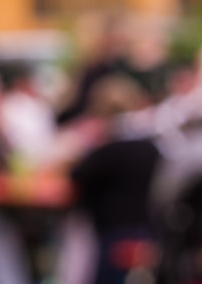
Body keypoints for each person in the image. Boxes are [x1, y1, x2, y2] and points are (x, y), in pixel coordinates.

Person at [68, 78, 162, 284]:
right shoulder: (153, 149)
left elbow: (76, 180)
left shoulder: (105, 152)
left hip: (110, 238)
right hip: (149, 234)